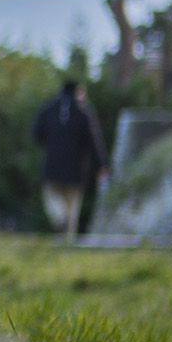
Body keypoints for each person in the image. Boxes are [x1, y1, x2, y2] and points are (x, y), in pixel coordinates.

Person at [32, 80, 107, 241]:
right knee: (73, 206)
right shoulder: (84, 112)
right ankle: (68, 241)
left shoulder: (48, 109)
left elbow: (36, 133)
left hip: (52, 166)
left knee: (52, 197)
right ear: (78, 92)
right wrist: (100, 165)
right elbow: (94, 141)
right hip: (77, 169)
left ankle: (60, 218)